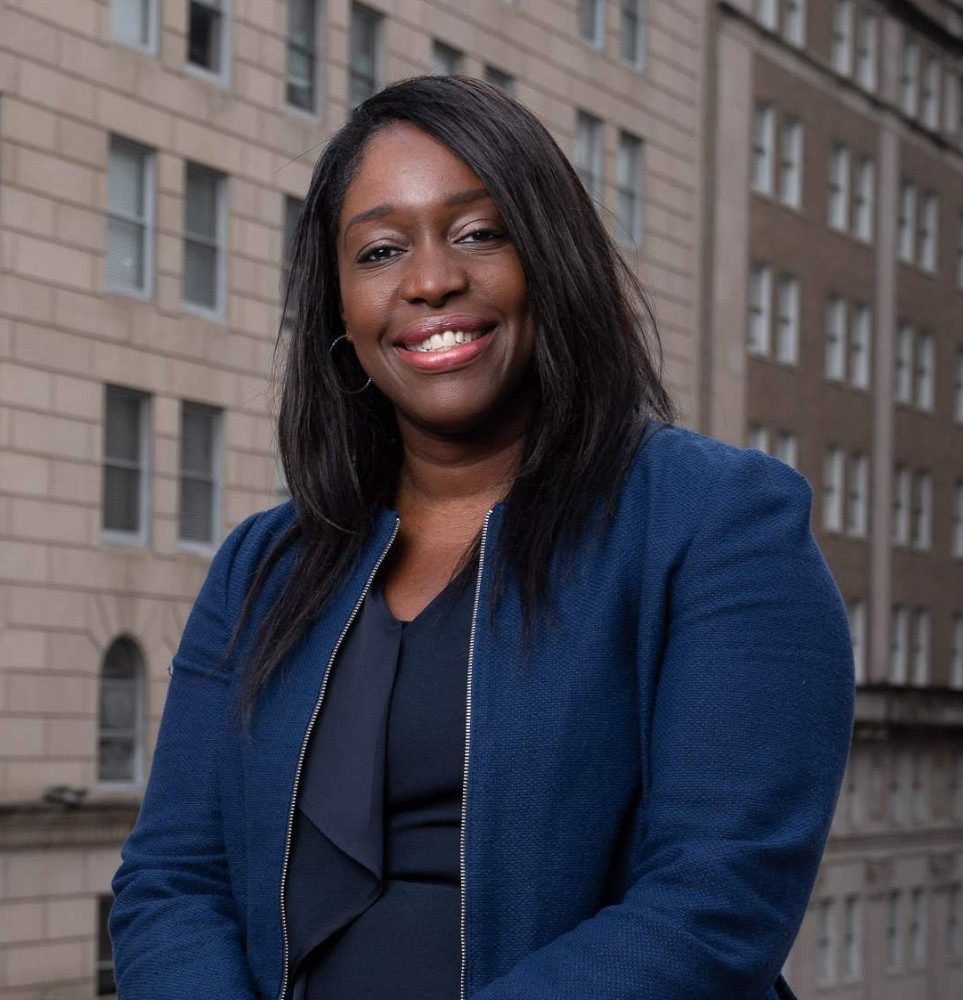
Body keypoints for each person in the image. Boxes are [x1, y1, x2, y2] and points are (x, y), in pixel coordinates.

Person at [109, 76, 855, 1000]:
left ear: (551, 257)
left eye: (477, 233)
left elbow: (717, 902)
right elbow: (170, 882)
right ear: (340, 311)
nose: (430, 281)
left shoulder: (718, 521)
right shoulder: (264, 568)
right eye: (381, 250)